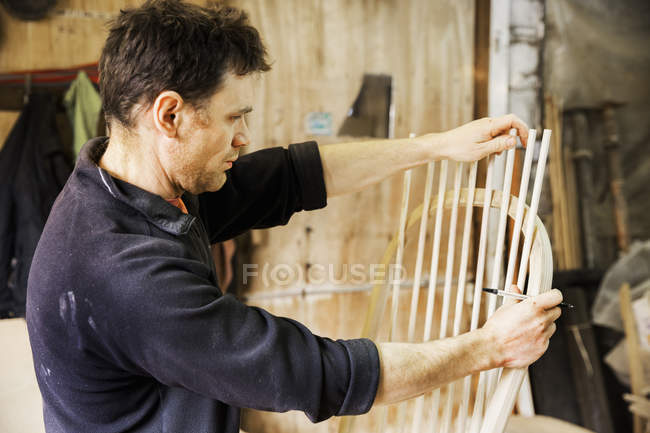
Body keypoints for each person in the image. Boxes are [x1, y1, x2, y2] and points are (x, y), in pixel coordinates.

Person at [26, 1, 563, 432]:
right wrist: (489, 346)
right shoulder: (124, 273)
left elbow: (292, 177)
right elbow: (318, 375)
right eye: (234, 117)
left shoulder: (130, 185)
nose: (244, 137)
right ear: (169, 115)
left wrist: (437, 147)